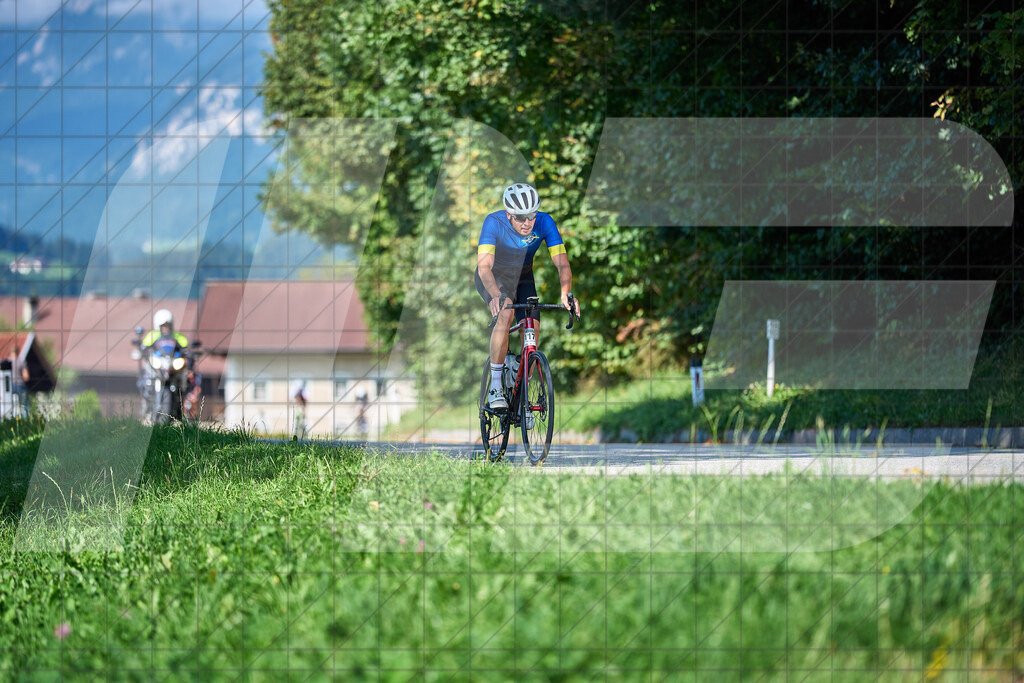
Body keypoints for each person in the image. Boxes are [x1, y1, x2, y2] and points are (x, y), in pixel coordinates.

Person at [475, 183, 580, 409]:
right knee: (506, 311)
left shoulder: (545, 222)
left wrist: (565, 293)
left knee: (532, 324)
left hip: (523, 277)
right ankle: (495, 386)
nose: (527, 223)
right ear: (508, 214)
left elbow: (562, 263)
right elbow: (484, 268)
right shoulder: (494, 223)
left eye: (531, 216)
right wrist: (495, 295)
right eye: (521, 217)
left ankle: (522, 392)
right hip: (494, 277)